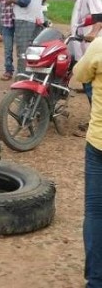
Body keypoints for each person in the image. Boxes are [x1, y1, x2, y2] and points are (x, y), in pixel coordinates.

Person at [71, 36, 102, 288]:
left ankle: (96, 280)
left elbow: (79, 73)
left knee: (95, 213)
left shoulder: (99, 45)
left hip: (99, 143)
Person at [64, 0, 102, 137]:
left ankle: (96, 125)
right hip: (81, 45)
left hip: (90, 47)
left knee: (92, 89)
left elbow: (99, 17)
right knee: (88, 86)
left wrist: (93, 32)